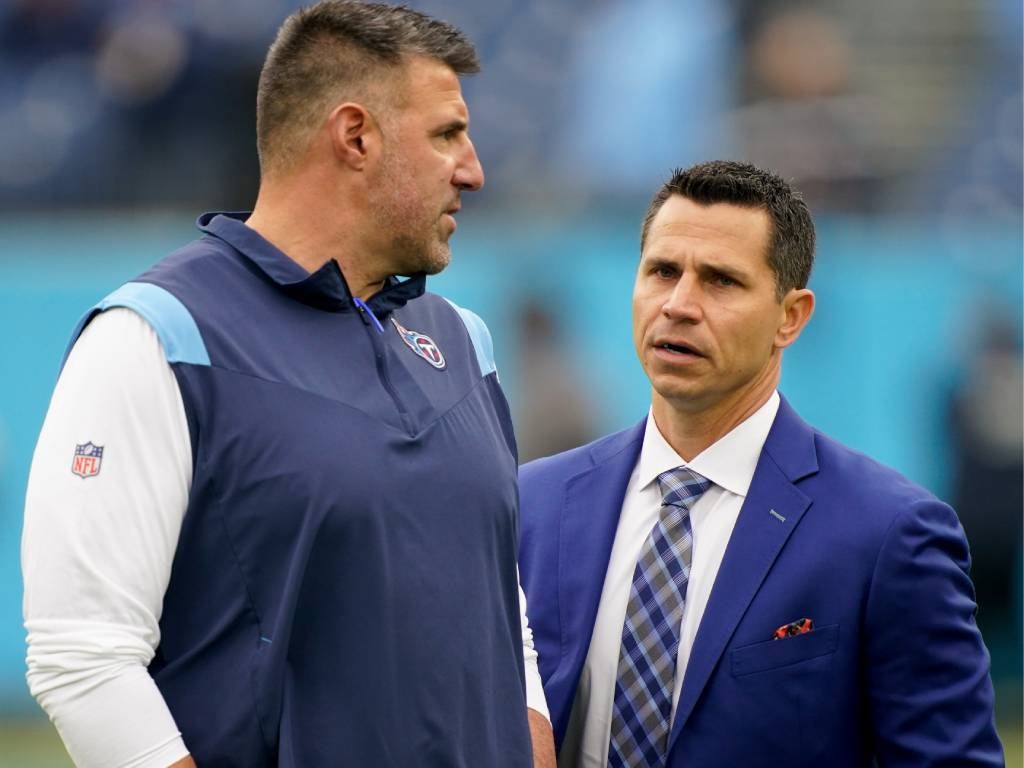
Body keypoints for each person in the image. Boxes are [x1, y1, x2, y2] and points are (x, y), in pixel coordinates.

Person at [22, 3, 555, 767]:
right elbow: (83, 659)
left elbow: (506, 619)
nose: (472, 168)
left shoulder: (463, 343)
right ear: (356, 136)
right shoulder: (154, 338)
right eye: (446, 134)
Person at [517, 160, 1003, 767]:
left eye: (720, 280)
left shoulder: (889, 535)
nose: (679, 304)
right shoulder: (532, 505)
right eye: (663, 271)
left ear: (790, 317)